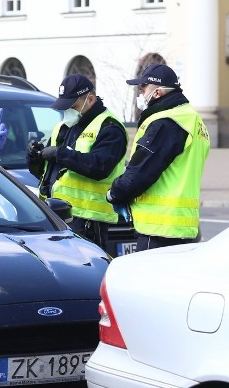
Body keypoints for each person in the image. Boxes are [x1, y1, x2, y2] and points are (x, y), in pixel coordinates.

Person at [106, 63, 210, 251]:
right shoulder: (192, 119)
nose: (141, 94)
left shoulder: (166, 123)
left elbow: (141, 171)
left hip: (158, 230)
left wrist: (115, 193)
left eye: (143, 88)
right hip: (182, 228)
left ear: (158, 93)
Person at [26, 74, 128, 252]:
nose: (67, 111)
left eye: (71, 106)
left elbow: (99, 167)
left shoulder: (110, 127)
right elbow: (47, 173)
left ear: (90, 99)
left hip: (88, 221)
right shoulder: (65, 126)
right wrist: (35, 158)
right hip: (56, 216)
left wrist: (60, 154)